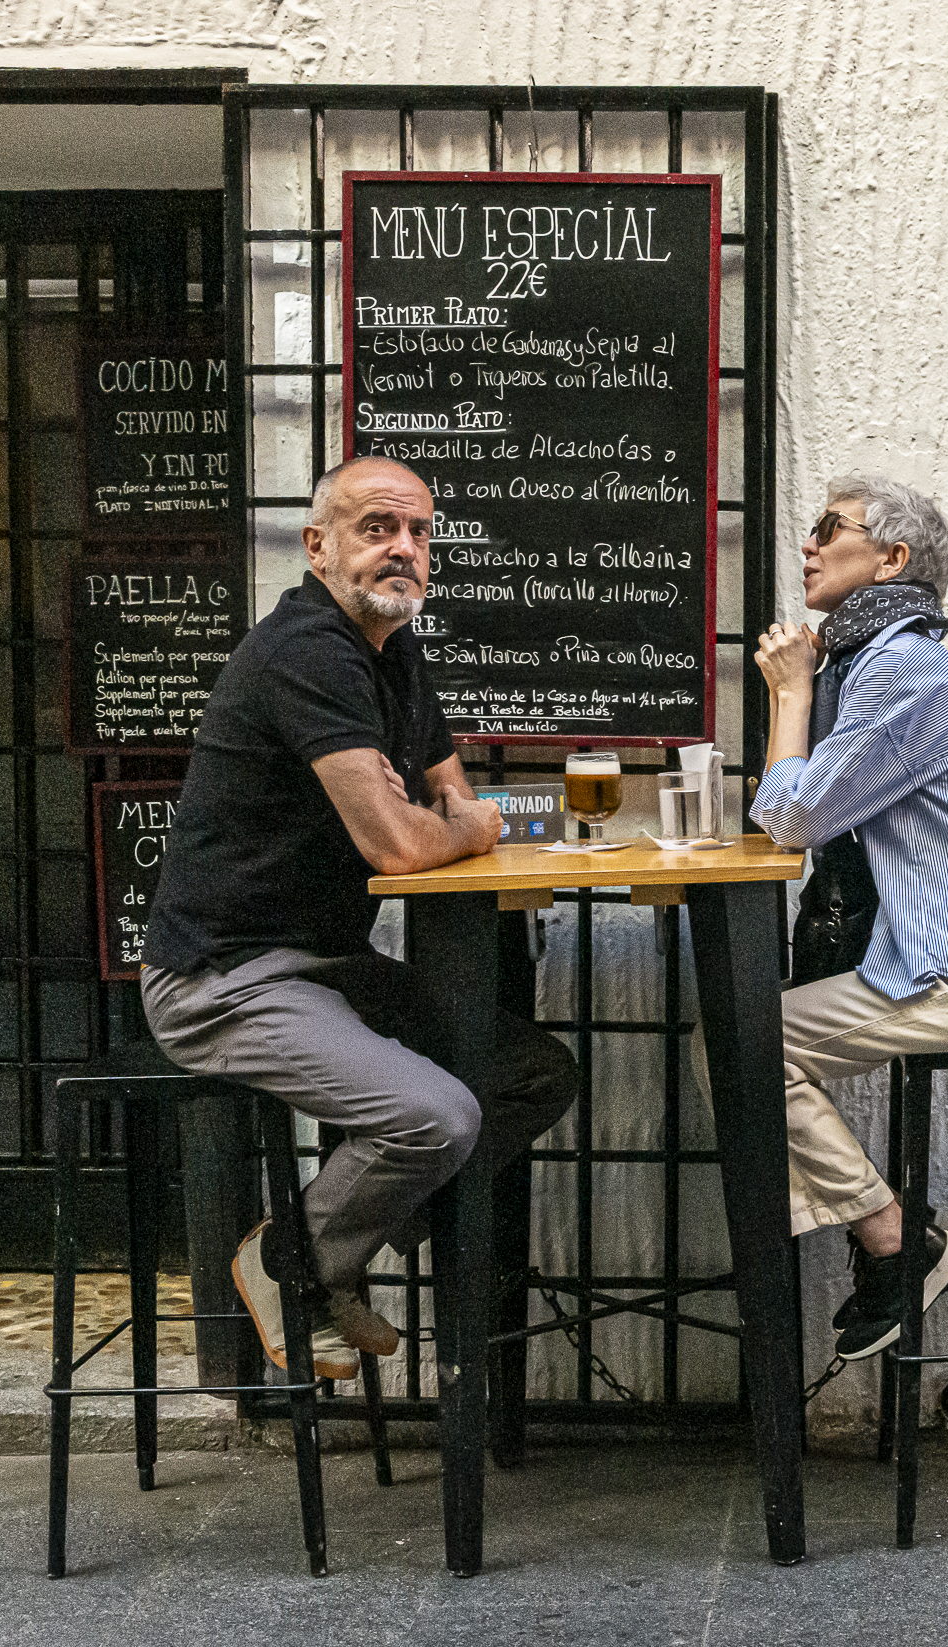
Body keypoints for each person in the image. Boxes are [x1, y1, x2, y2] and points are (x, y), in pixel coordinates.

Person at [141, 456, 577, 1379]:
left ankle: (348, 1240)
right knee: (438, 1115)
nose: (404, 551)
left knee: (534, 1072)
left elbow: (442, 799)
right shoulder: (308, 650)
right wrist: (446, 824)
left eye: (419, 533)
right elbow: (402, 842)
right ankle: (291, 1264)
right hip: (225, 978)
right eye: (379, 527)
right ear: (318, 545)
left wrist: (441, 820)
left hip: (326, 964)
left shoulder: (392, 651)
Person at [729, 475, 948, 1360]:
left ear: (892, 559)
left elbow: (791, 820)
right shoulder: (879, 661)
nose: (806, 544)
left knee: (742, 1041)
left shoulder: (899, 670)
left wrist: (790, 697)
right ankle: (890, 1236)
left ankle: (893, 1239)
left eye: (825, 528)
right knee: (741, 1034)